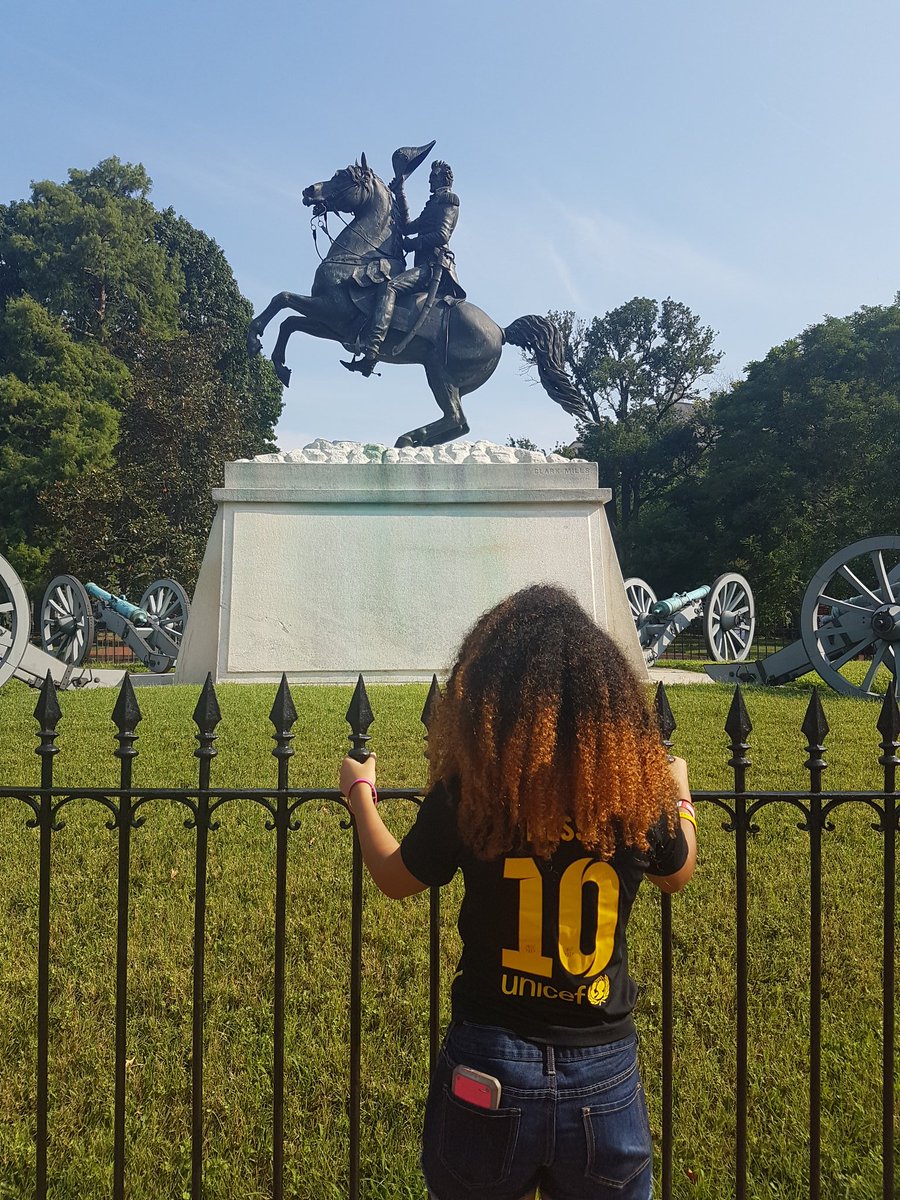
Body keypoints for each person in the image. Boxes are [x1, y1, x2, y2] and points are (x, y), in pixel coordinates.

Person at [339, 584, 697, 1200]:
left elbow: (395, 878)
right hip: (602, 1070)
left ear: (490, 695)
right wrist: (681, 795)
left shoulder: (474, 791)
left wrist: (361, 796)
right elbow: (678, 869)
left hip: (490, 1060)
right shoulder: (629, 796)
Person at [342, 159, 466, 377]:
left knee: (390, 287)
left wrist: (412, 244)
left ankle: (372, 351)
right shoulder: (433, 203)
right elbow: (408, 227)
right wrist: (400, 192)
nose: (429, 179)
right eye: (430, 176)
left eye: (433, 176)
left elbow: (442, 235)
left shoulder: (448, 200)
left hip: (435, 266)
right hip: (425, 264)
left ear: (443, 178)